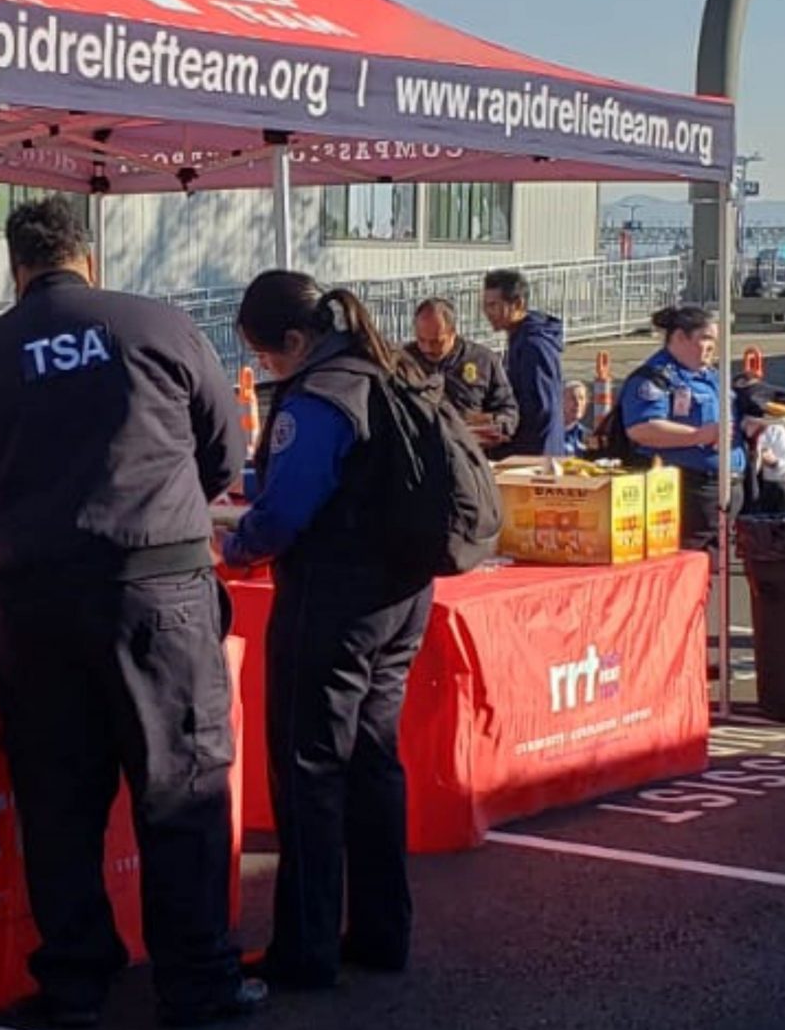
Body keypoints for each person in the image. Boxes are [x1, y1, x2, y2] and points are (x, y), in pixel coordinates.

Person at [0, 196, 263, 1029]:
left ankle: (77, 976)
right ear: (88, 257)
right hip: (157, 587)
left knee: (56, 799)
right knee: (182, 783)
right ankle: (196, 975)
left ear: (14, 268)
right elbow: (225, 453)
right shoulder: (156, 327)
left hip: (34, 601)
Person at [221, 273, 435, 992]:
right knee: (375, 759)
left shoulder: (318, 394)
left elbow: (287, 510)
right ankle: (381, 928)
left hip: (334, 596)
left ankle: (306, 946)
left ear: (293, 341)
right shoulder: (387, 367)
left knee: (309, 765)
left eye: (267, 356)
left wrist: (236, 545)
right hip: (403, 590)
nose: (270, 369)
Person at [618, 304, 752, 551]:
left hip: (726, 488)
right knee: (691, 568)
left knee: (716, 567)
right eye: (705, 339)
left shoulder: (711, 376)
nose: (712, 347)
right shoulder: (656, 378)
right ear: (680, 336)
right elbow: (642, 428)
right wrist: (700, 435)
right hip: (688, 489)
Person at [479, 269, 565, 460]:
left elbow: (541, 408)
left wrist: (504, 437)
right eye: (485, 305)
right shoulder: (520, 339)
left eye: (493, 305)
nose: (487, 313)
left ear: (517, 304)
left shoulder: (533, 345)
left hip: (533, 460)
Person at [402, 298, 516, 437]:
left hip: (472, 451)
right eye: (421, 340)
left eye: (436, 342)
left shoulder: (484, 361)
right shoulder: (401, 362)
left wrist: (492, 424)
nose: (427, 348)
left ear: (453, 333)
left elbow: (508, 412)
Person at [561, 379, 594, 454]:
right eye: (573, 398)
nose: (577, 403)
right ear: (560, 401)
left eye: (581, 398)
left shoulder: (586, 435)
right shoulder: (550, 433)